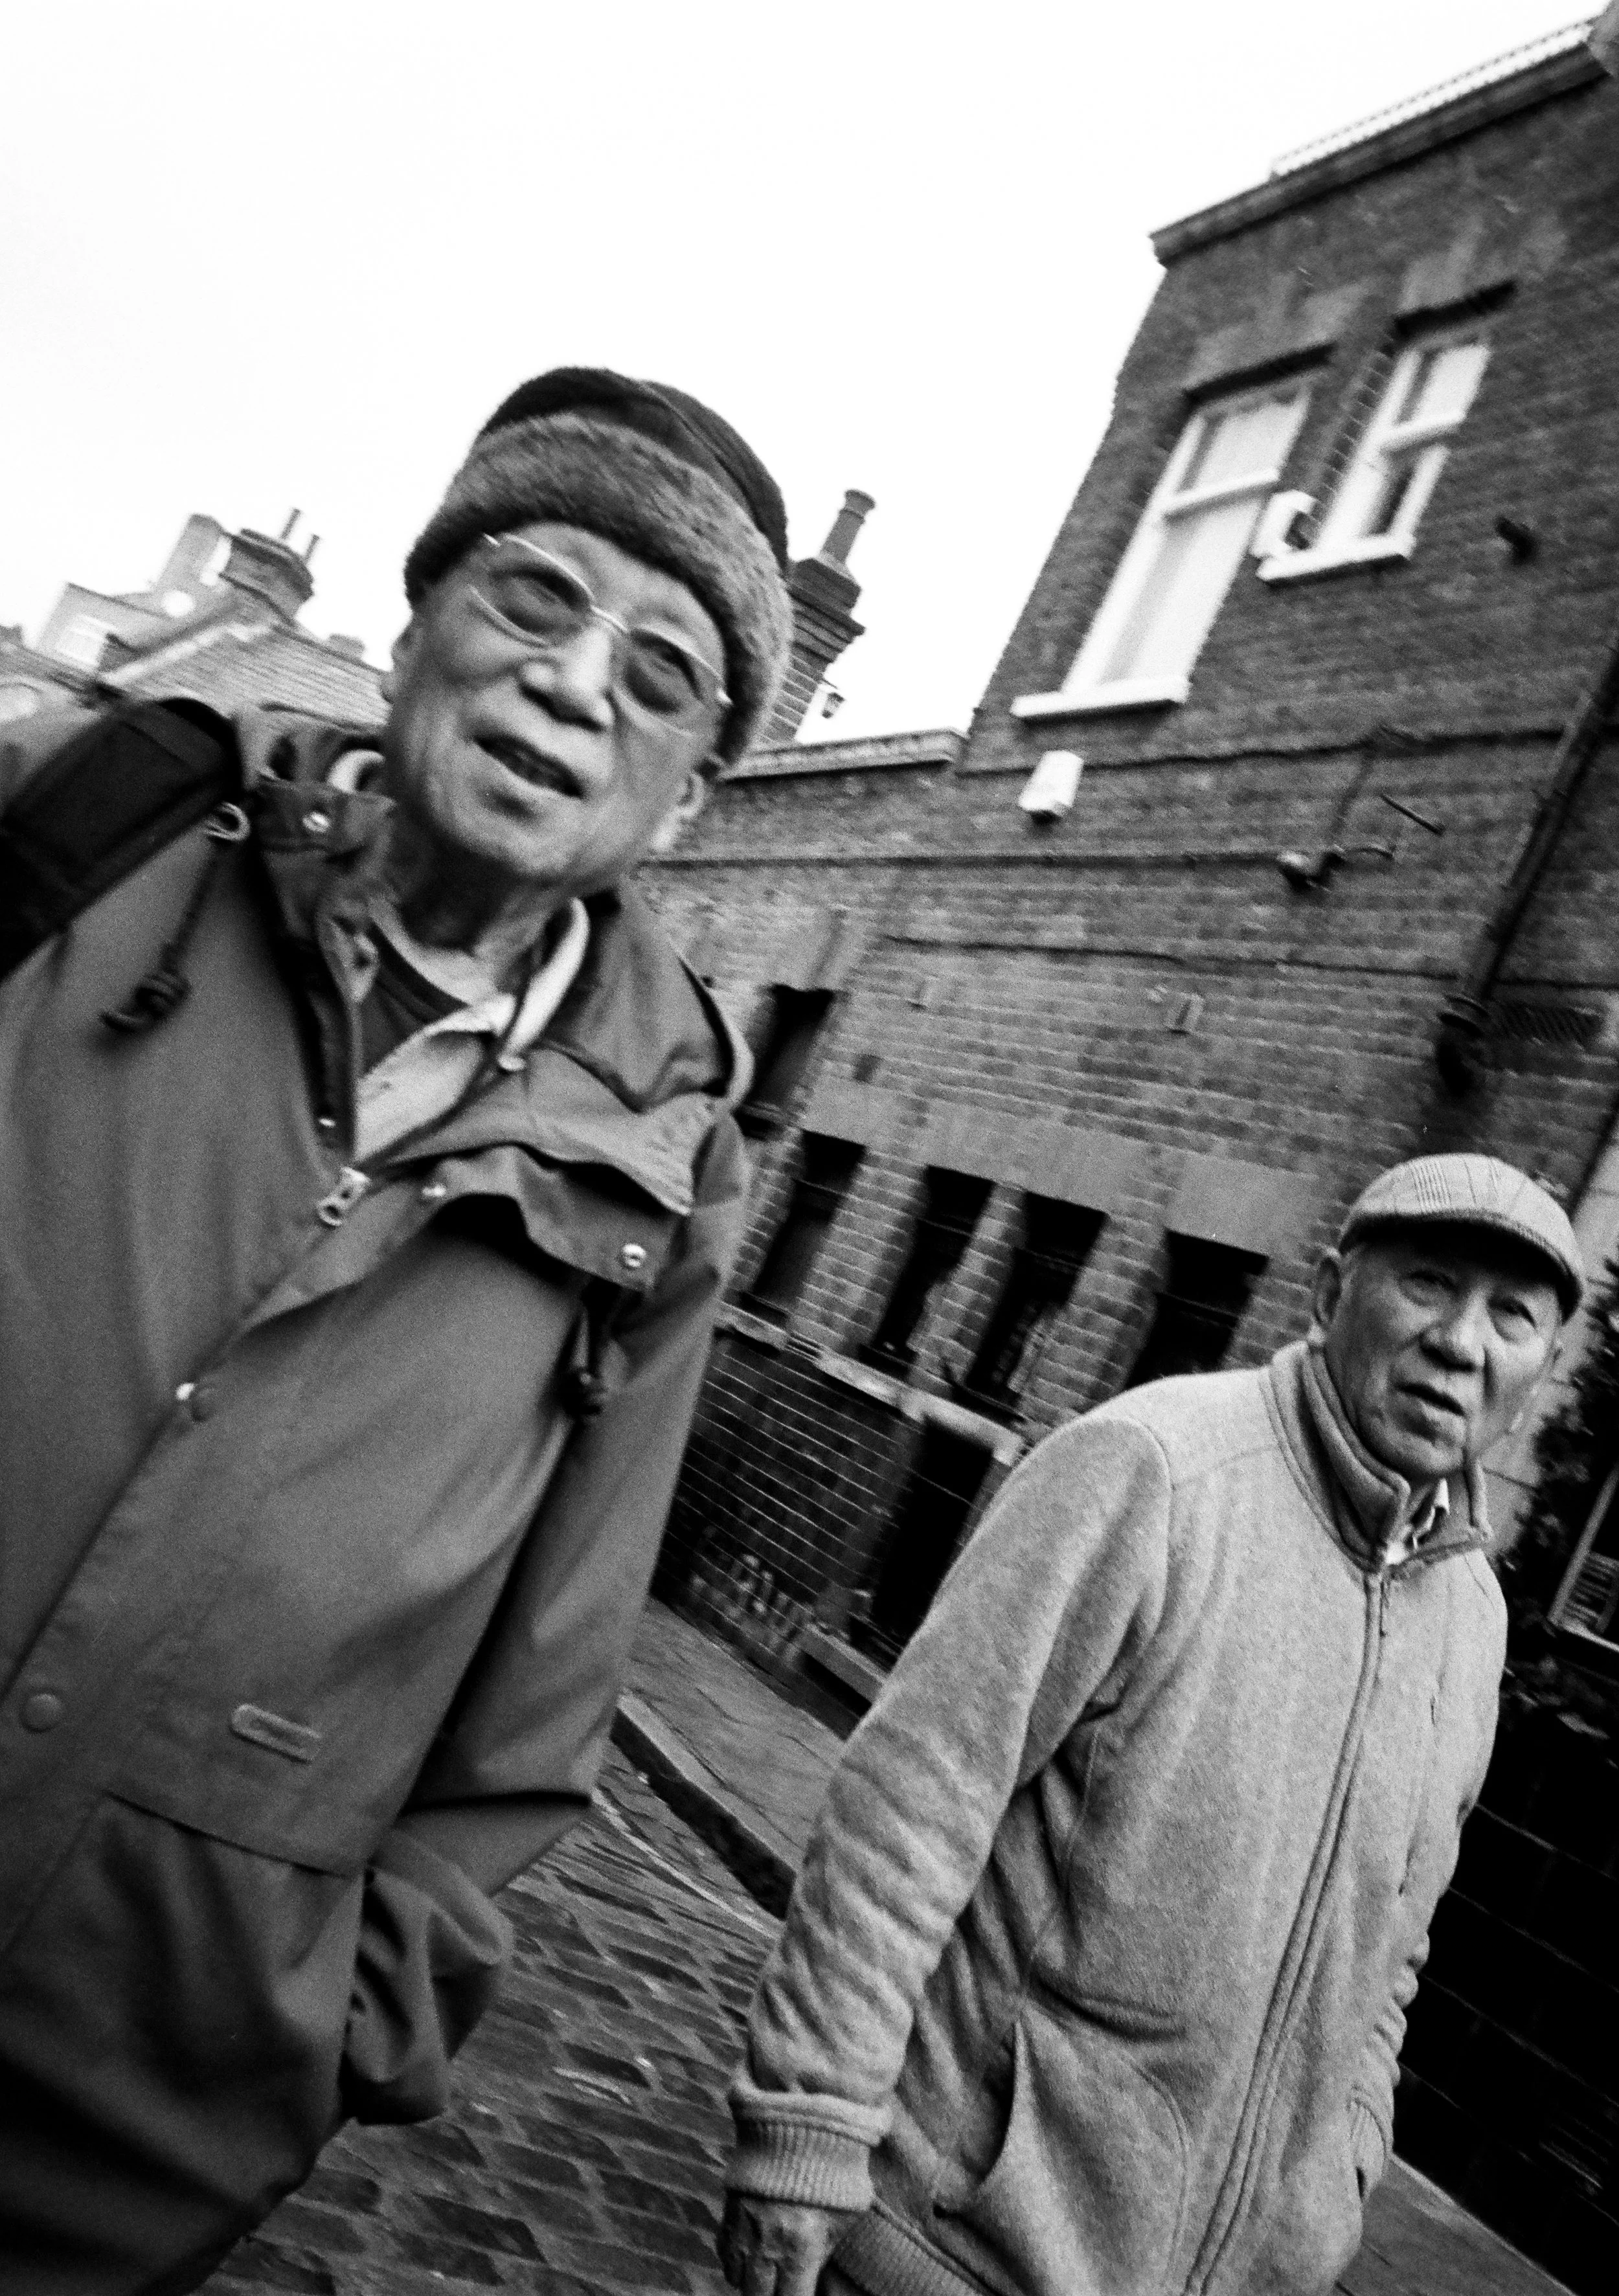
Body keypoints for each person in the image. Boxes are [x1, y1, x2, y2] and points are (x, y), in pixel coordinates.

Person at [0, 367, 791, 2293]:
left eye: (660, 671)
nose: (575, 681)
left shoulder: (669, 1162)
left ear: (683, 794)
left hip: (108, 2122)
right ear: (416, 617)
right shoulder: (86, 818)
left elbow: (550, 1672)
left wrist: (334, 2024)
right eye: (535, 597)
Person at [720, 1154, 1581, 2296]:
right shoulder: (1154, 1470)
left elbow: (1395, 1945)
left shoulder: (1474, 1619)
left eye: (1510, 1317)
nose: (1462, 1342)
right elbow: (911, 1801)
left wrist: (1338, 2175)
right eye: (1428, 1284)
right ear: (1330, 1294)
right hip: (952, 2251)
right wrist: (807, 2130)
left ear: (1538, 1371)